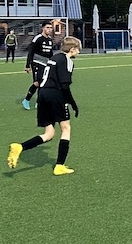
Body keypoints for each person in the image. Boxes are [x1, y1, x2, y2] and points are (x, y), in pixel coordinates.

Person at [8, 36, 81, 175]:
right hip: (55, 95)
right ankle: (59, 166)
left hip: (42, 94)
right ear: (72, 49)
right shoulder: (67, 60)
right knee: (66, 128)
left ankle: (20, 147)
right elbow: (64, 85)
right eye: (78, 49)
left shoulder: (53, 58)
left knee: (49, 134)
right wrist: (72, 103)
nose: (79, 52)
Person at [21, 18, 63, 110]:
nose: (49, 29)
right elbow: (31, 52)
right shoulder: (38, 38)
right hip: (36, 63)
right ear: (43, 28)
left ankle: (39, 102)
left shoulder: (50, 40)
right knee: (37, 83)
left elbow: (50, 53)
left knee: (43, 83)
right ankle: (26, 100)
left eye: (51, 28)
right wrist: (27, 65)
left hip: (45, 64)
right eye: (47, 27)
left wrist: (52, 64)